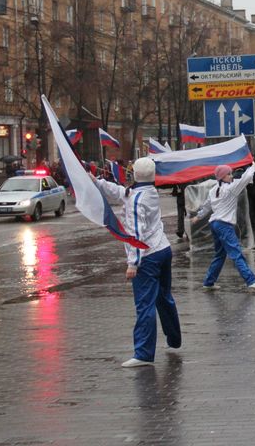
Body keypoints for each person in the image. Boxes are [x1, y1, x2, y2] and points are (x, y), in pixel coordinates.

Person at [93, 157, 181, 367]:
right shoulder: (148, 192)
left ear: (135, 174)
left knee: (145, 304)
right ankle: (174, 338)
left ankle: (143, 353)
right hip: (163, 249)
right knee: (163, 297)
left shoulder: (136, 199)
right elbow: (120, 192)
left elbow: (135, 232)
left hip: (147, 256)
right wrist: (96, 181)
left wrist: (133, 263)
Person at [192, 164, 255, 289]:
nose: (231, 176)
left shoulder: (214, 190)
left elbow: (206, 206)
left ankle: (209, 282)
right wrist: (252, 167)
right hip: (224, 225)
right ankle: (251, 281)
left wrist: (198, 217)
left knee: (220, 254)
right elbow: (245, 178)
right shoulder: (231, 188)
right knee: (236, 253)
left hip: (215, 224)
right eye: (229, 174)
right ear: (222, 177)